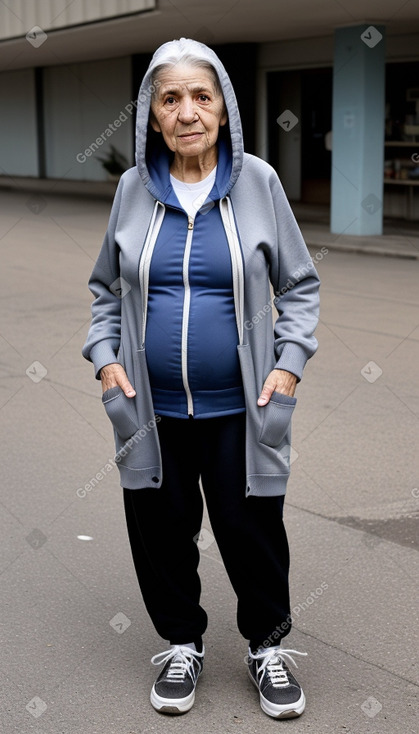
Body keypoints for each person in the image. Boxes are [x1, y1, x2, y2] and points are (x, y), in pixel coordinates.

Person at [82, 37, 320, 720]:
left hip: (244, 408)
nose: (187, 111)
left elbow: (299, 286)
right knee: (159, 532)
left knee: (251, 532)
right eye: (170, 98)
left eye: (200, 95)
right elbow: (104, 291)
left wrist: (287, 365)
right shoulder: (132, 190)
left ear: (224, 109)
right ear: (151, 117)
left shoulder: (259, 184)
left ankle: (266, 646)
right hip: (146, 412)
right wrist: (106, 360)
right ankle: (181, 641)